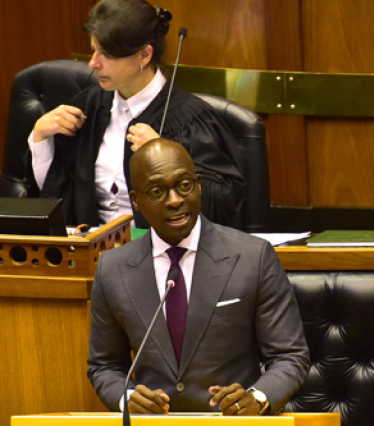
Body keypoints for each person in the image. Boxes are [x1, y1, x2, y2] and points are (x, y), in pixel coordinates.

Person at [87, 138, 310, 414]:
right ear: (136, 200)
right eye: (157, 192)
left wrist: (258, 398)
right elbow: (105, 366)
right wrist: (127, 398)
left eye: (184, 186)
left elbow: (290, 356)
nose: (175, 200)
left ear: (199, 185)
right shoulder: (112, 269)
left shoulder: (253, 257)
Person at [26, 0, 244, 228]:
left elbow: (224, 202)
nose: (93, 63)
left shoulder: (190, 119)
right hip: (93, 242)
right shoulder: (88, 107)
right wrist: (40, 136)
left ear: (144, 55)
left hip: (159, 245)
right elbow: (57, 194)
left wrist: (166, 158)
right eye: (93, 50)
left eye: (107, 54)